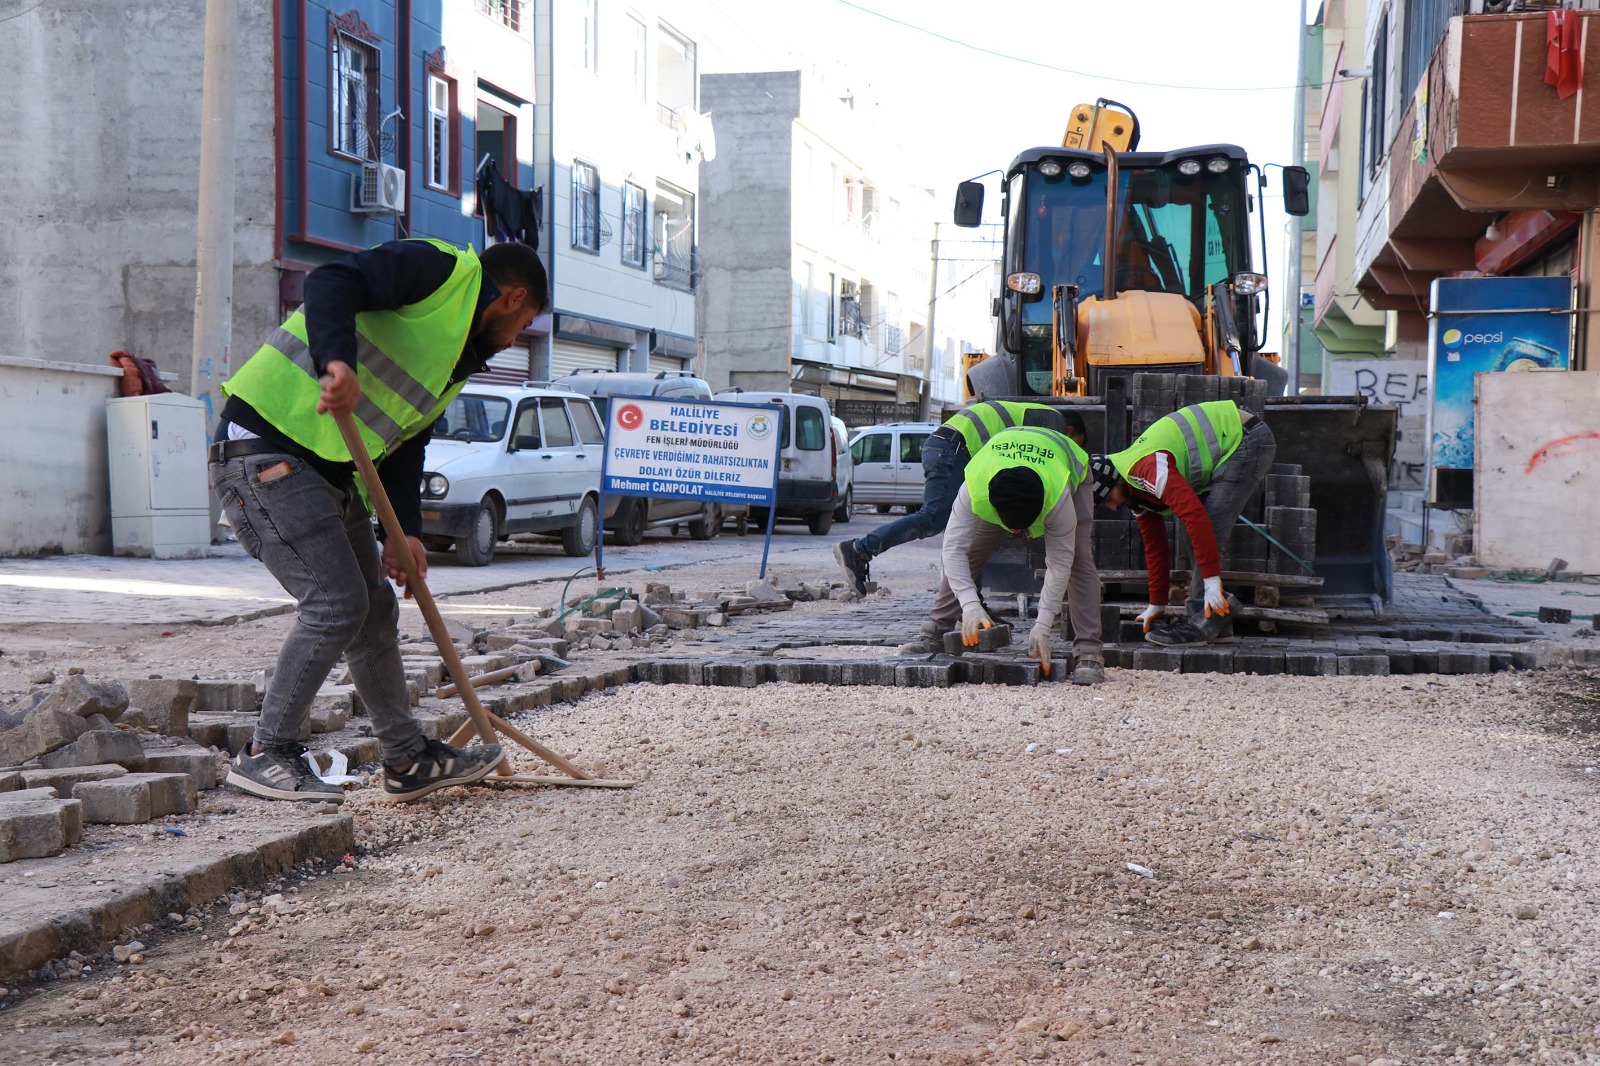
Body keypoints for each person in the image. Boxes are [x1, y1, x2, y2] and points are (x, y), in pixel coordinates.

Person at [209, 238, 549, 803]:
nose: (516, 341)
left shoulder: (455, 356)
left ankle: (407, 759)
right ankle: (266, 751)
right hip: (265, 450)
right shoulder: (440, 270)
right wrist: (335, 362)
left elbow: (406, 441)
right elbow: (329, 283)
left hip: (329, 470)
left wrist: (403, 532)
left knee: (374, 610)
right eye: (525, 323)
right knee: (335, 603)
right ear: (513, 297)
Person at [910, 424, 1105, 686]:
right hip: (1003, 472)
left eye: (1020, 528)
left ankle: (1089, 652)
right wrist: (970, 605)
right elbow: (953, 549)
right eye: (1012, 527)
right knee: (971, 551)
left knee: (1079, 560)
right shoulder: (975, 487)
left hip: (1068, 465)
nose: (1016, 533)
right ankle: (935, 631)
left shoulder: (1059, 498)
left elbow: (1060, 564)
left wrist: (1044, 624)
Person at [833, 402, 1088, 595]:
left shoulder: (1039, 413)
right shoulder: (1052, 424)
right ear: (1068, 431)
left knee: (968, 531)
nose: (1074, 449)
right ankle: (860, 549)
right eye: (1077, 443)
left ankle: (973, 604)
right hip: (954, 447)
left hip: (951, 445)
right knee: (935, 517)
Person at [1089, 399, 1276, 647]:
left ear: (1116, 482)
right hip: (1231, 442)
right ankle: (1218, 625)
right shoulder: (1134, 492)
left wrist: (1211, 583)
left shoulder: (1146, 471)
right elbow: (1155, 546)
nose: (1112, 508)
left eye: (1108, 499)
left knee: (1205, 525)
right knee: (1196, 531)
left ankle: (1200, 621)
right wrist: (1157, 603)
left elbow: (1195, 517)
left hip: (1244, 439)